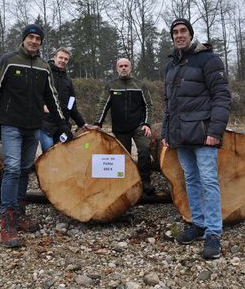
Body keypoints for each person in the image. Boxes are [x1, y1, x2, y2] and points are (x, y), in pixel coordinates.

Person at [0, 24, 72, 248]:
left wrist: (62, 124)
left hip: (34, 127)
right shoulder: (9, 60)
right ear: (23, 39)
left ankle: (20, 211)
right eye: (30, 37)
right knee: (12, 168)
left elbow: (51, 97)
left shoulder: (44, 67)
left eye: (38, 39)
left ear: (41, 43)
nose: (34, 41)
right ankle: (7, 220)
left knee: (25, 168)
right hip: (11, 124)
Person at [161, 18, 231, 260]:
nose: (179, 35)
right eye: (175, 32)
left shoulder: (208, 60)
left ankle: (213, 233)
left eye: (183, 31)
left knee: (209, 181)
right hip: (180, 136)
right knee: (190, 180)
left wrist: (215, 132)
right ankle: (197, 224)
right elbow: (168, 104)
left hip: (203, 135)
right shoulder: (171, 65)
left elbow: (221, 96)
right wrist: (166, 133)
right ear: (172, 37)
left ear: (190, 34)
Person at [94, 58, 154, 194]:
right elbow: (103, 104)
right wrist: (98, 123)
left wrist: (146, 123)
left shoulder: (140, 85)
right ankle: (127, 182)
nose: (123, 68)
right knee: (123, 157)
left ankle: (145, 181)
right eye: (121, 66)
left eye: (126, 65)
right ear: (117, 69)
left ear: (130, 67)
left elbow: (148, 105)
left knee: (144, 150)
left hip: (138, 126)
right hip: (120, 128)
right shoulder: (111, 85)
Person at [40, 47, 88, 151]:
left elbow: (72, 104)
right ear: (55, 58)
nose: (63, 61)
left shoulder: (68, 80)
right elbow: (35, 93)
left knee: (61, 154)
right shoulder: (44, 73)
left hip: (62, 126)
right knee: (48, 152)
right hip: (45, 124)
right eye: (60, 57)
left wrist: (82, 124)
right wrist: (42, 104)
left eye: (66, 59)